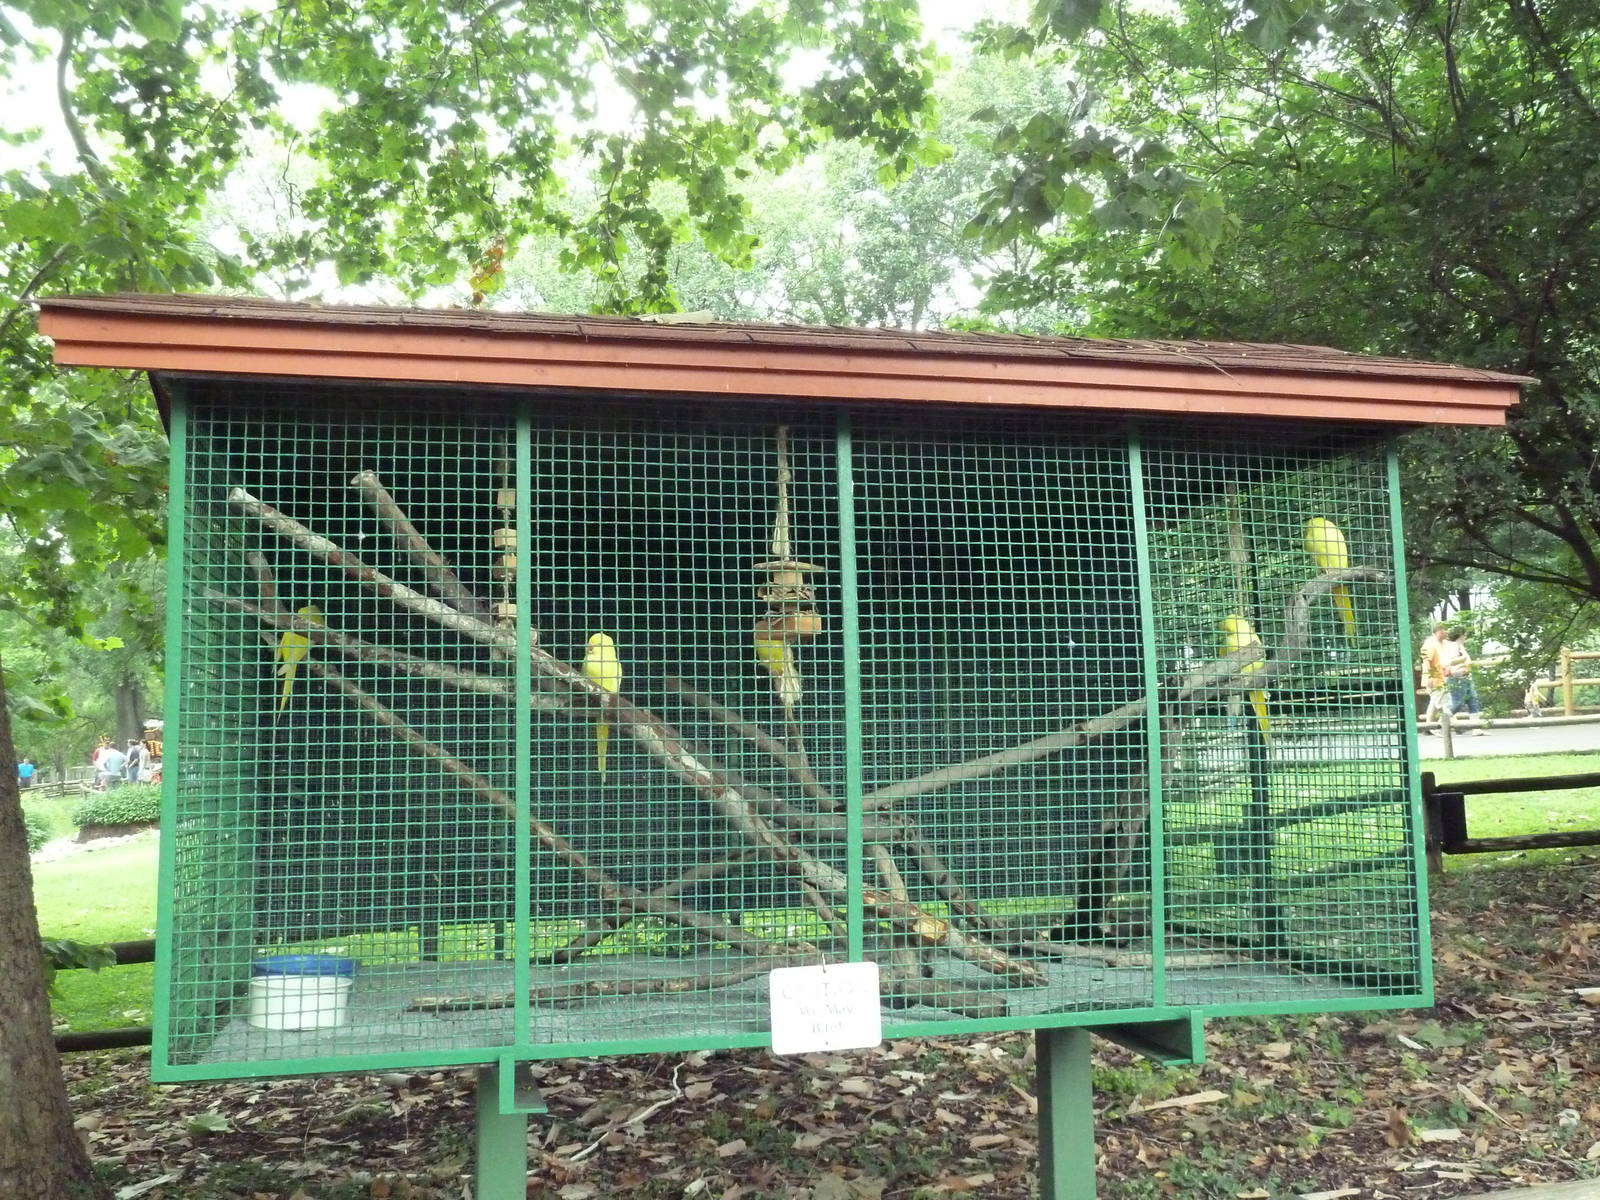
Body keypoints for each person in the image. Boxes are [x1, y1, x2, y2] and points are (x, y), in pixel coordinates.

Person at [1441, 629, 1487, 735]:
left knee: (1473, 702)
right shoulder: (1452, 646)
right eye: (1464, 635)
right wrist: (1461, 662)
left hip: (1465, 676)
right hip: (1457, 677)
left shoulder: (1460, 646)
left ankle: (1476, 728)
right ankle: (1443, 719)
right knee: (1457, 703)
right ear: (1460, 635)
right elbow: (1448, 662)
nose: (1465, 637)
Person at [1418, 623, 1449, 732]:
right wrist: (1430, 677)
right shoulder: (1430, 644)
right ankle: (1449, 725)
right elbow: (1427, 661)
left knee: (1434, 702)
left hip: (1442, 677)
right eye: (1446, 630)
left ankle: (1428, 727)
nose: (1448, 632)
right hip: (1434, 678)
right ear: (1439, 631)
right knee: (1444, 704)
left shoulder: (1444, 643)